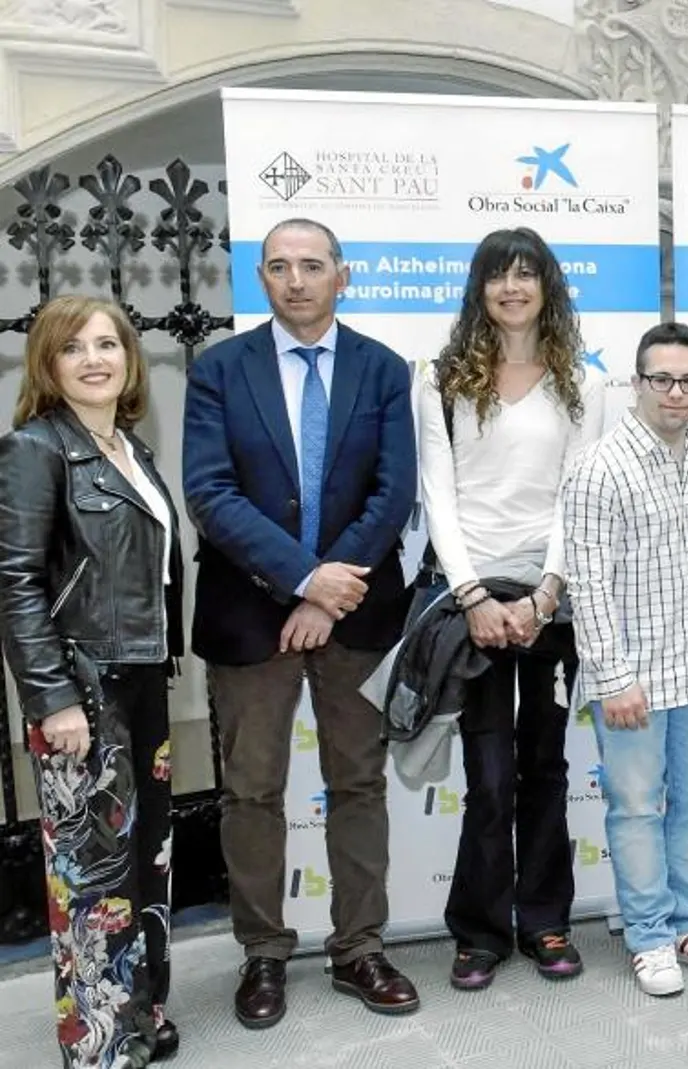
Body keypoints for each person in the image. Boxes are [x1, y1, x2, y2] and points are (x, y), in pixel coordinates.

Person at [183, 217, 420, 1026]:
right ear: (262, 278)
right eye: (279, 266)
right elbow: (211, 493)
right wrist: (300, 578)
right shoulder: (219, 369)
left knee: (357, 781)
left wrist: (328, 593)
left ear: (342, 276)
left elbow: (392, 494)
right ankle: (263, 953)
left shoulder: (384, 370)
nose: (296, 280)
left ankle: (361, 946)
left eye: (312, 265)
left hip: (355, 614)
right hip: (251, 616)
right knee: (252, 790)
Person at [416, 226, 605, 990]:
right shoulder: (442, 378)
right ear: (481, 289)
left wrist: (548, 591)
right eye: (499, 275)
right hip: (475, 603)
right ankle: (481, 930)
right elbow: (438, 491)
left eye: (527, 275)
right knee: (489, 773)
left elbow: (578, 492)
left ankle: (546, 920)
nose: (513, 288)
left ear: (547, 287)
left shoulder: (581, 383)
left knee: (546, 767)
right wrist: (470, 595)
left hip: (550, 604)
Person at [0, 296, 184, 1066]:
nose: (94, 359)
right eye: (73, 348)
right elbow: (15, 582)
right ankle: (98, 1040)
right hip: (82, 686)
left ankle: (140, 1011)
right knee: (90, 874)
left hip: (141, 677)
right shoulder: (35, 448)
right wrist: (52, 698)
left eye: (108, 343)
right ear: (48, 363)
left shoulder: (129, 449)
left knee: (145, 859)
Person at [563, 321, 688, 997]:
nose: (676, 392)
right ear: (636, 382)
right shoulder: (599, 467)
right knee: (636, 809)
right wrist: (612, 677)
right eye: (661, 379)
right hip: (633, 677)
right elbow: (587, 581)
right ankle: (649, 935)